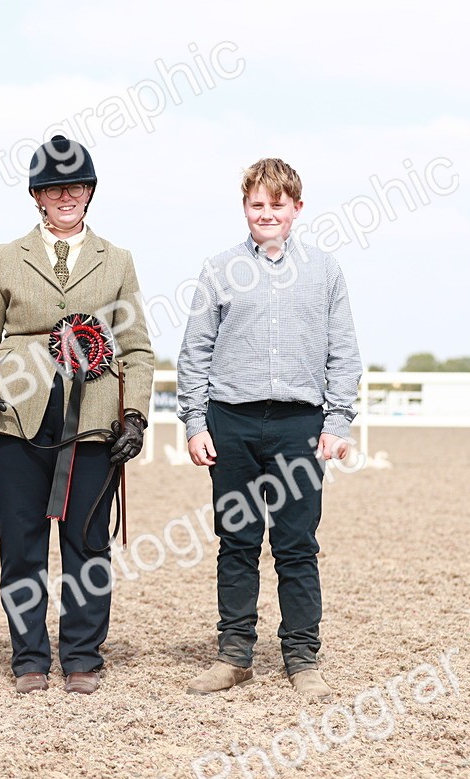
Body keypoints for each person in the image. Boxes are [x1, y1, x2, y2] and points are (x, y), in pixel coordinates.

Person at [0, 134, 154, 695]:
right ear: (36, 197)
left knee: (87, 542)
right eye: (53, 188)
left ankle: (83, 655)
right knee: (21, 542)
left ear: (89, 192)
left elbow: (137, 347)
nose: (65, 196)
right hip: (13, 419)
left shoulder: (117, 261)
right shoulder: (3, 258)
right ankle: (28, 657)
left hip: (92, 417)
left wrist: (135, 414)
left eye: (75, 186)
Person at [177, 158, 361, 700]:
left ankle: (302, 657)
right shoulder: (219, 268)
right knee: (236, 541)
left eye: (277, 204)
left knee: (297, 544)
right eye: (257, 204)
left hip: (299, 427)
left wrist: (338, 421)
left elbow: (343, 352)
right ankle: (234, 655)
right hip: (229, 423)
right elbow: (195, 352)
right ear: (245, 209)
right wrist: (194, 421)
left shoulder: (326, 271)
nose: (267, 213)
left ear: (296, 209)